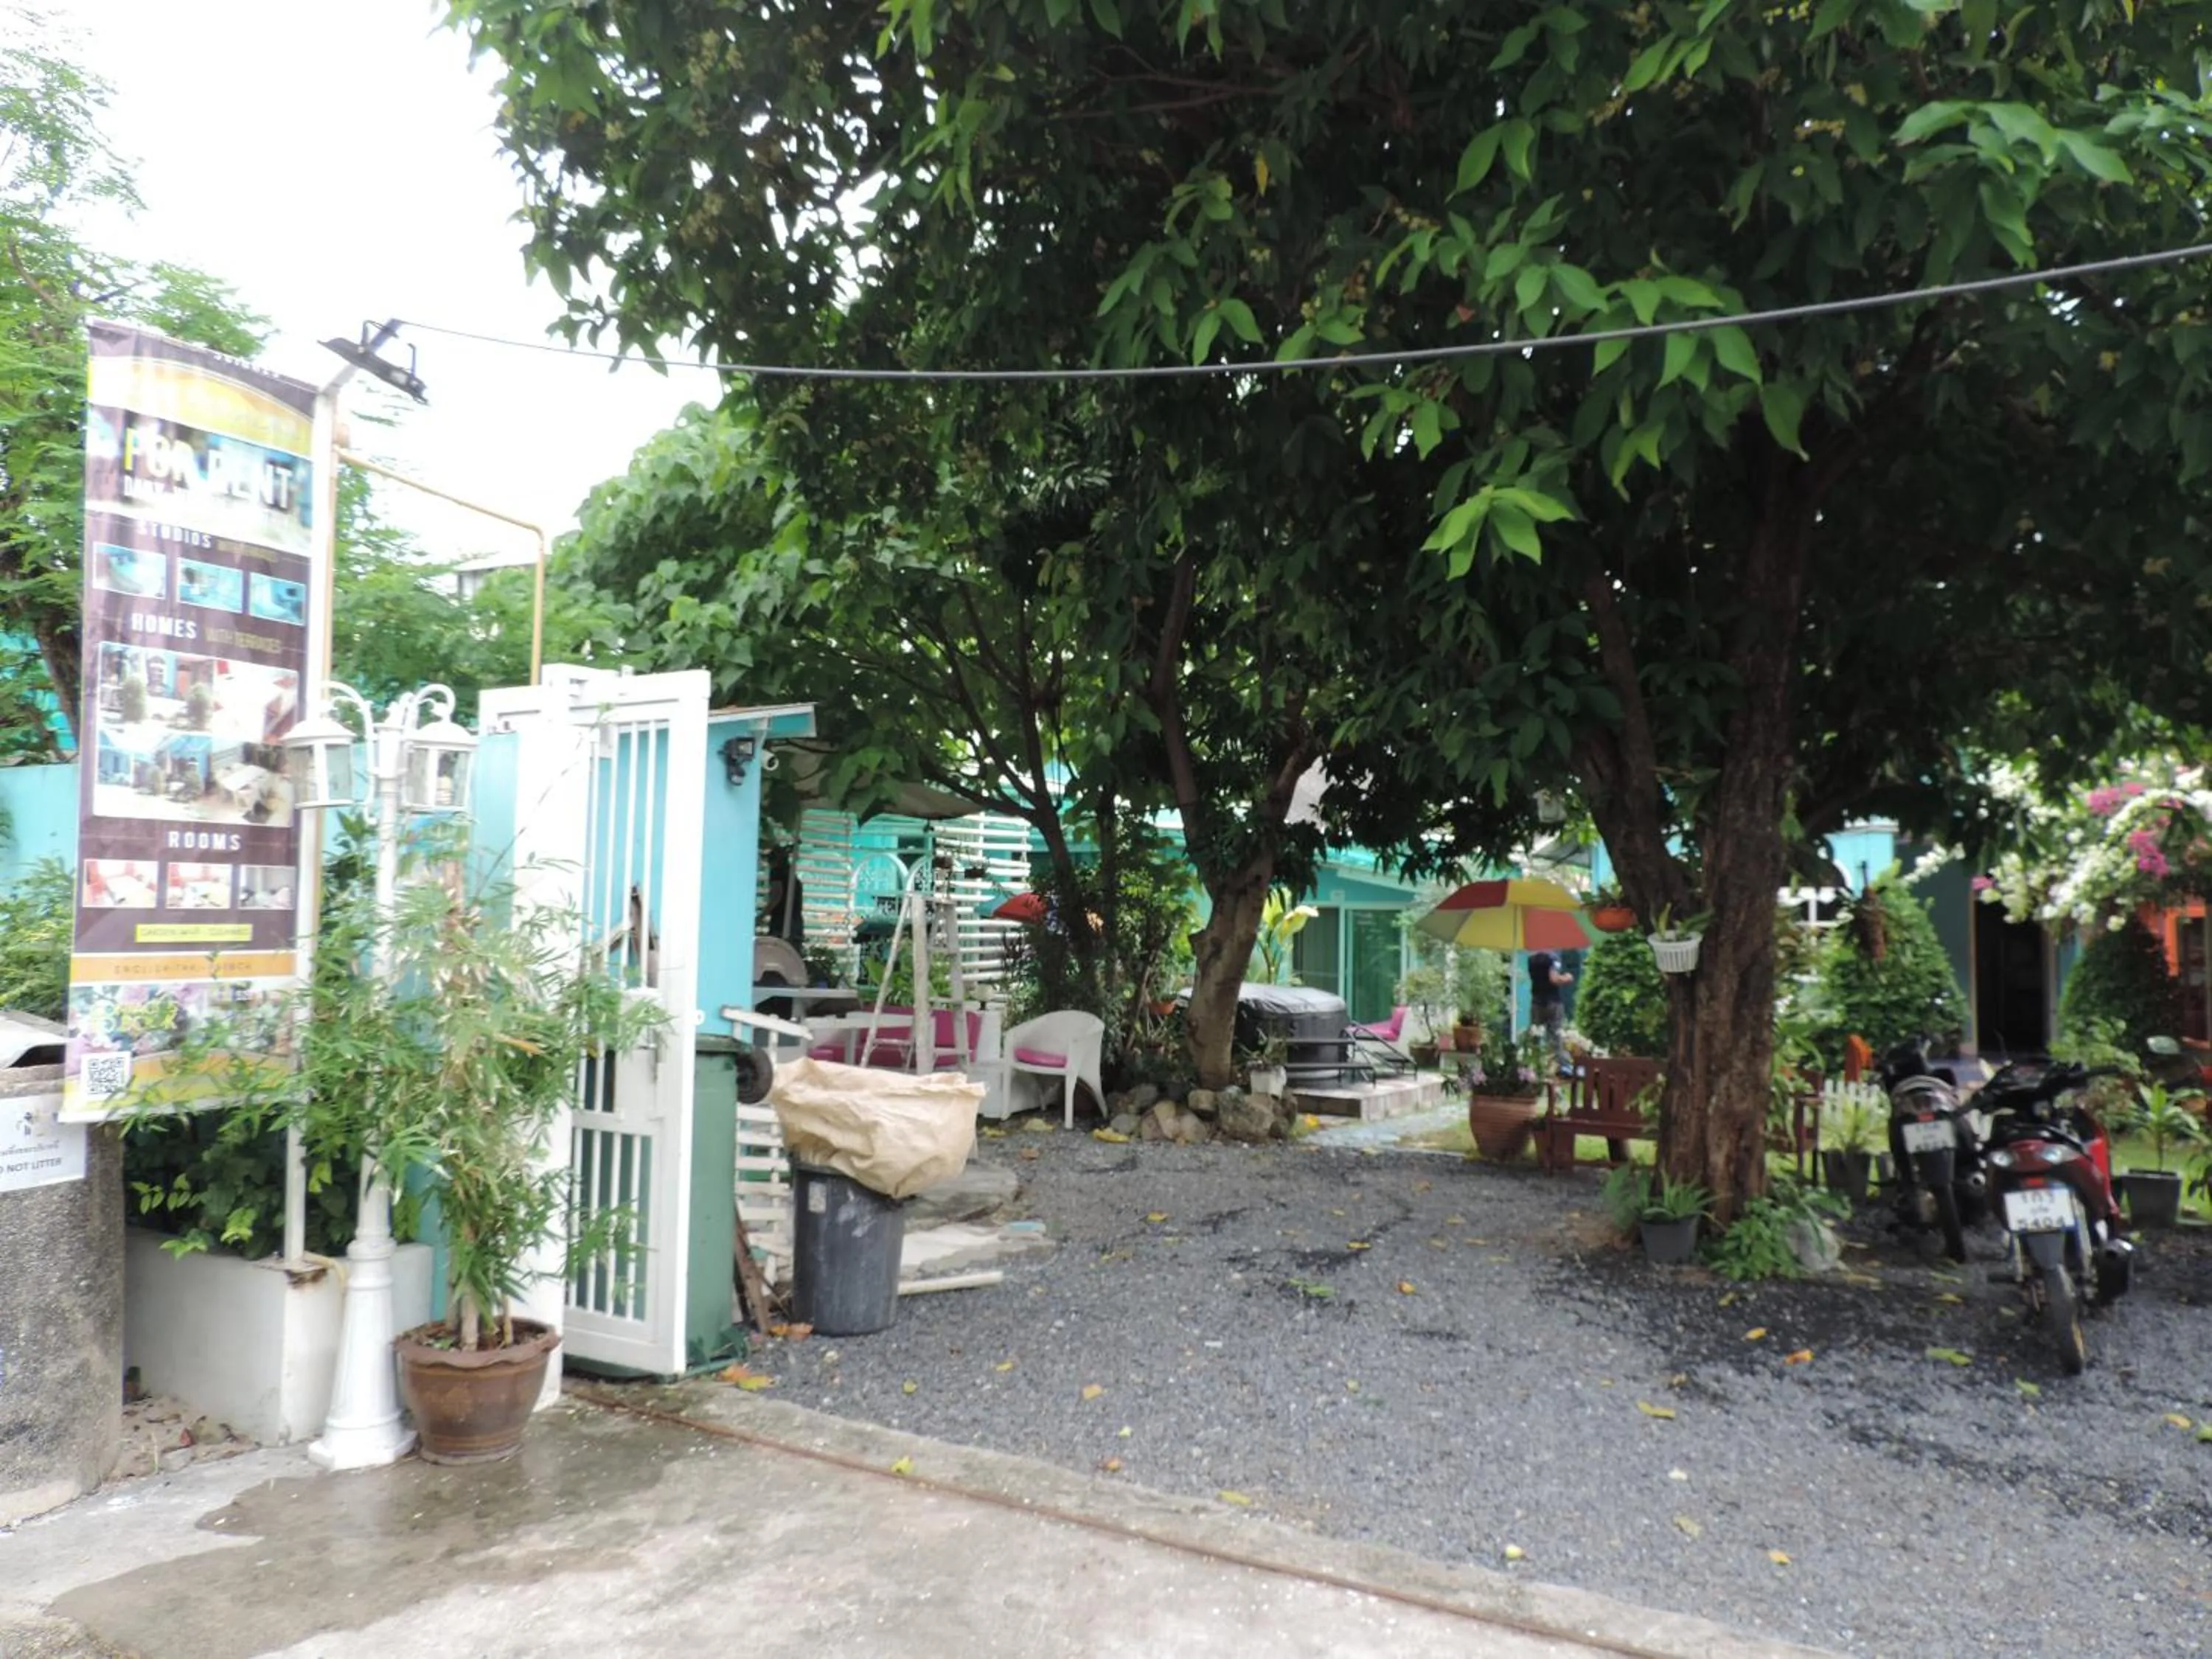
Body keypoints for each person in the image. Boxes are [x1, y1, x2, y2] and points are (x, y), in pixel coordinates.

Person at [1528, 950, 1575, 1074]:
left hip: (1536, 1003)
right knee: (1556, 1037)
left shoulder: (1531, 958)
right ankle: (1561, 1068)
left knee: (1535, 1037)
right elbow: (1553, 979)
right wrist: (1567, 978)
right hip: (1553, 1003)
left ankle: (1534, 1067)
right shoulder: (1552, 958)